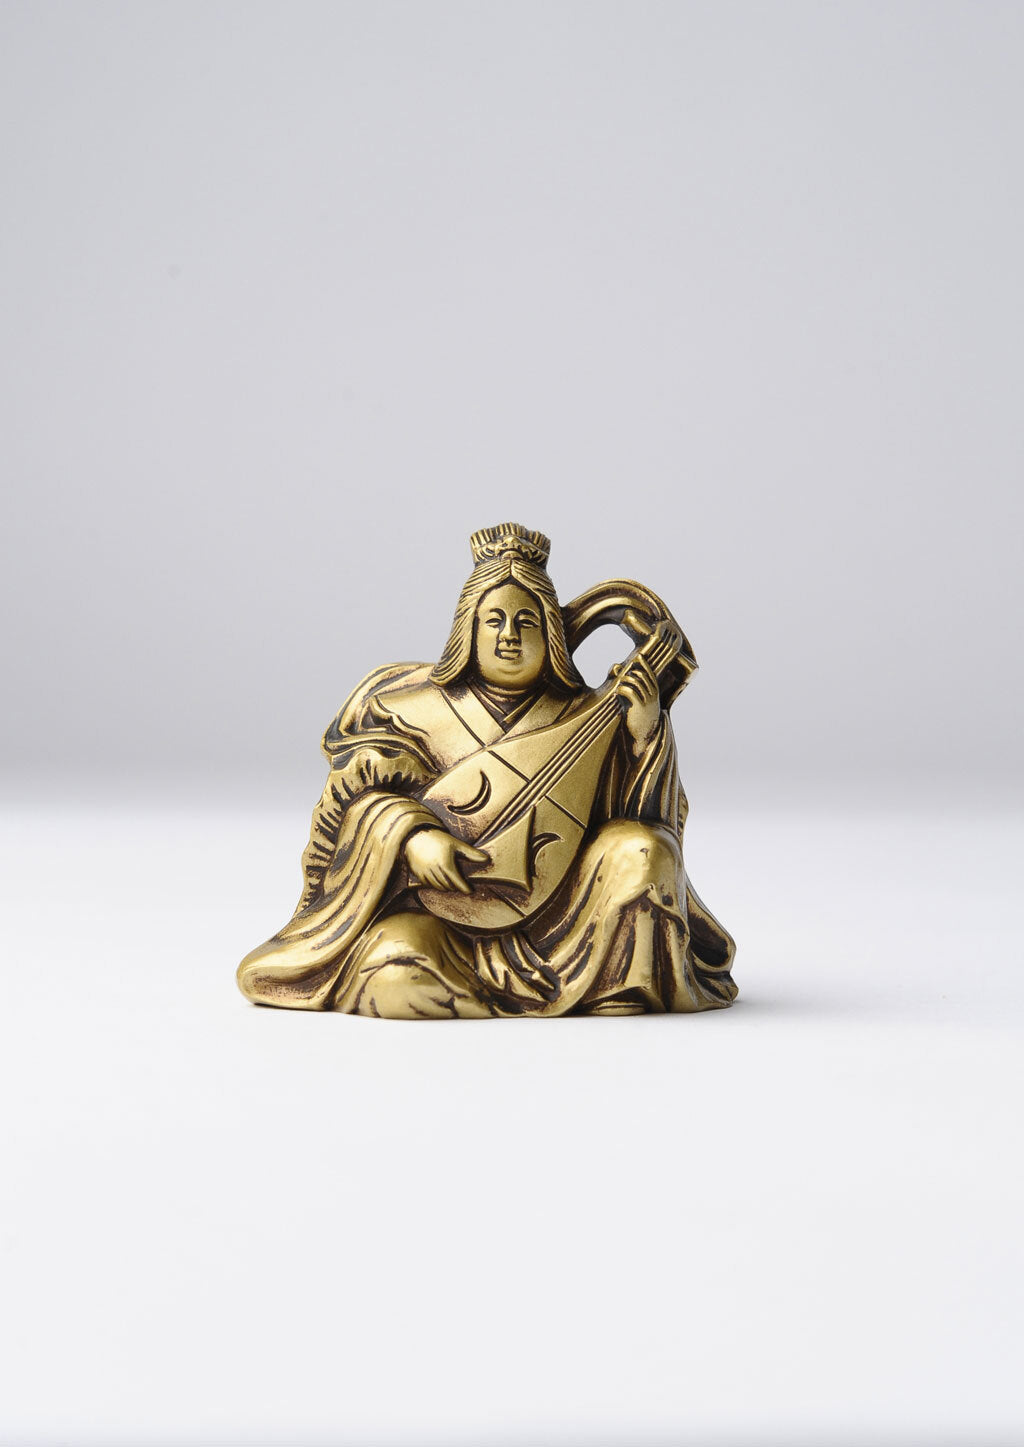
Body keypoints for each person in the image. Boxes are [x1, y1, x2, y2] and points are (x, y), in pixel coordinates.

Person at [237, 522, 737, 1018]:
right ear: (468, 630)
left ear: (552, 635)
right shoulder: (408, 709)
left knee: (644, 849)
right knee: (391, 965)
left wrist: (644, 735)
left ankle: (607, 986)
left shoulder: (588, 714)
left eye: (527, 623)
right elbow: (351, 804)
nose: (509, 637)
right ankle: (495, 995)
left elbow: (637, 820)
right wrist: (411, 837)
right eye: (494, 620)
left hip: (564, 925)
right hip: (445, 924)